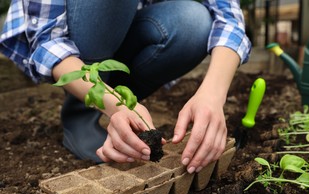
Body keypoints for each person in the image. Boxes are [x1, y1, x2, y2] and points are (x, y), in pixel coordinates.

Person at [0, 0, 251, 174]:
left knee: (193, 22)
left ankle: (126, 115)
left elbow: (228, 17)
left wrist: (213, 95)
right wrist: (114, 104)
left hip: (131, 29)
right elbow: (48, 41)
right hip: (82, 37)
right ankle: (83, 113)